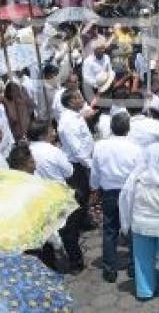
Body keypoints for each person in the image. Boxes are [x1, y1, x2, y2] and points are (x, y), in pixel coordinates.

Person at [119, 143, 159, 302]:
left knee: (142, 260)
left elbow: (126, 201)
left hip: (141, 225)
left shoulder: (136, 178)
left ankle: (145, 291)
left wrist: (125, 224)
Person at [91, 111, 142, 283]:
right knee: (134, 229)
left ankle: (109, 270)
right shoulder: (135, 147)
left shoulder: (100, 146)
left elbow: (95, 171)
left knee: (110, 229)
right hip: (130, 192)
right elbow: (140, 172)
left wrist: (94, 187)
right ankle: (134, 268)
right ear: (128, 128)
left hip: (109, 192)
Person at [26, 120, 83, 273]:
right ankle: (75, 263)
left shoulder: (27, 151)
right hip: (59, 194)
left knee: (47, 231)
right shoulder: (53, 151)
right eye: (51, 130)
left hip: (38, 197)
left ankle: (51, 265)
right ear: (43, 134)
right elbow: (69, 171)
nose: (54, 132)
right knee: (68, 231)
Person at [58, 89, 95, 234]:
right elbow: (76, 148)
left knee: (84, 193)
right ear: (70, 102)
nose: (82, 100)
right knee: (80, 194)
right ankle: (77, 224)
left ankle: (83, 221)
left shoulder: (75, 116)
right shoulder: (68, 122)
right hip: (77, 164)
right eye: (78, 98)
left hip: (83, 161)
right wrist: (89, 164)